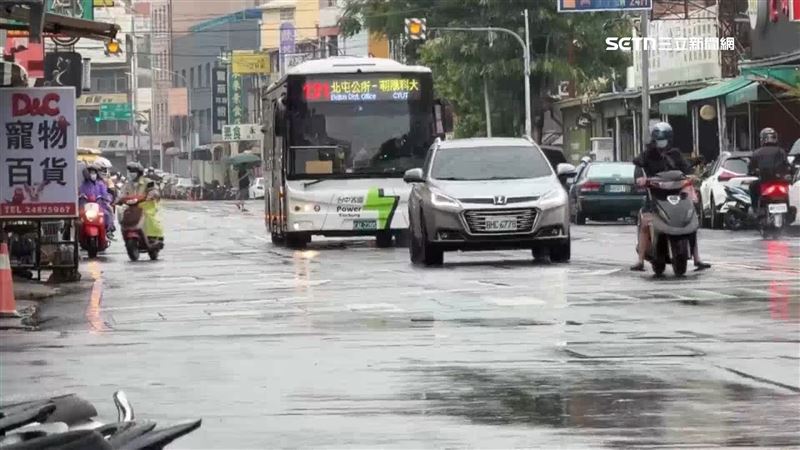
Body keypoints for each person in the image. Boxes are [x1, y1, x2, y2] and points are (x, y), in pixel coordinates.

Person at [630, 122, 711, 272]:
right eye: (659, 139)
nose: (662, 142)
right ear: (654, 139)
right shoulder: (647, 154)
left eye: (664, 139)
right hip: (656, 195)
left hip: (676, 195)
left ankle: (697, 258)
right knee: (645, 221)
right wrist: (640, 179)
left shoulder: (675, 154)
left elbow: (686, 168)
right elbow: (639, 167)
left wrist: (692, 176)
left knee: (691, 220)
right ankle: (640, 260)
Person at [121, 162, 164, 245]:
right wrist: (117, 199)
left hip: (146, 206)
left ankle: (153, 236)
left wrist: (152, 194)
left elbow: (154, 190)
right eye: (130, 171)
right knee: (123, 215)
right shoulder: (127, 184)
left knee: (148, 216)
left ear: (139, 172)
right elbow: (122, 194)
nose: (131, 173)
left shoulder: (148, 182)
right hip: (132, 207)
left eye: (134, 171)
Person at [748, 127, 791, 210]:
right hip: (779, 181)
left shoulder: (757, 152)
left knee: (752, 187)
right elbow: (788, 166)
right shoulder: (781, 151)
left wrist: (753, 172)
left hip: (765, 181)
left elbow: (751, 167)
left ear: (762, 139)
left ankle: (755, 208)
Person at [79, 163, 115, 237]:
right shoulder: (83, 184)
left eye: (94, 173)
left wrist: (105, 198)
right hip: (86, 206)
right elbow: (80, 192)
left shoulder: (100, 184)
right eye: (91, 173)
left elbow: (105, 193)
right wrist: (81, 196)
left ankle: (109, 229)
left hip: (100, 205)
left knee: (107, 213)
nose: (93, 174)